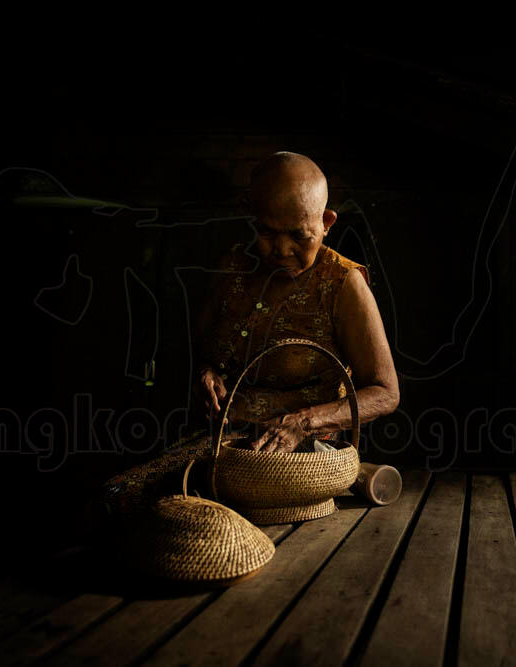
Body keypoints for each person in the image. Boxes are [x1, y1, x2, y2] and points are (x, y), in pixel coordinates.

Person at [90, 151, 399, 529]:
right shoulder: (232, 266)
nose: (281, 249)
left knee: (169, 515)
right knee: (118, 497)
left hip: (299, 456)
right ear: (248, 212)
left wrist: (302, 422)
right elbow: (208, 353)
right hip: (221, 443)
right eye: (267, 232)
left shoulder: (343, 284)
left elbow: (386, 392)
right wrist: (207, 374)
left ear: (327, 222)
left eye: (300, 236)